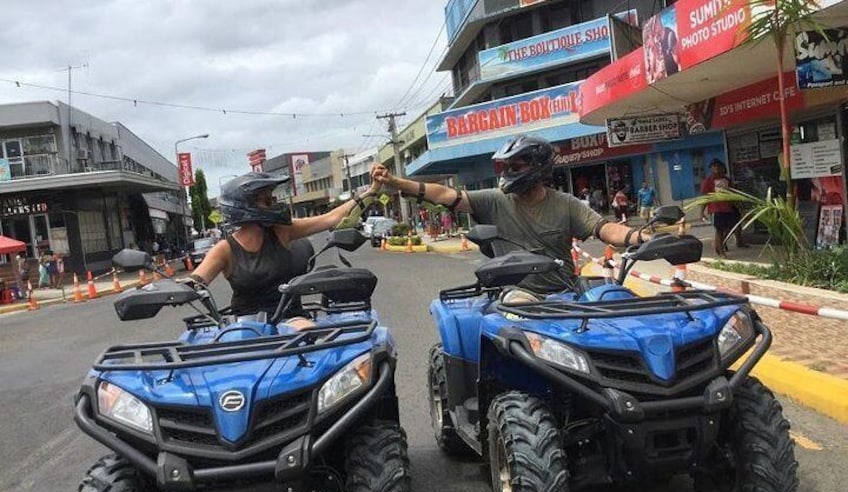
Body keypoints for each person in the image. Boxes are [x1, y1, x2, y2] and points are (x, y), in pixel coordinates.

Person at [369, 135, 649, 295]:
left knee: (613, 299)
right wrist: (395, 182)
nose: (509, 172)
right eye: (507, 166)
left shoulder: (566, 204)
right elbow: (445, 195)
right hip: (518, 298)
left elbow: (604, 229)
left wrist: (639, 236)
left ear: (538, 168)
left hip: (566, 295)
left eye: (516, 165)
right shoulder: (494, 200)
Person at [190, 172, 378, 328]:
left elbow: (330, 218)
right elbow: (196, 280)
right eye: (268, 200)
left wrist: (371, 191)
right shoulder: (224, 249)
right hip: (246, 327)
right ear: (245, 205)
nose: (275, 204)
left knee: (309, 334)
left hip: (291, 319)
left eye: (273, 198)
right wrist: (178, 288)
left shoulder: (283, 232)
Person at [700, 159, 747, 257]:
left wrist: (737, 204)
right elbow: (705, 197)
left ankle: (720, 244)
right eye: (714, 166)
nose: (716, 168)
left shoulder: (727, 180)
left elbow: (732, 193)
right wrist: (702, 212)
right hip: (716, 209)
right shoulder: (708, 181)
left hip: (728, 208)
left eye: (718, 166)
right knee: (719, 230)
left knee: (730, 228)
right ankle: (721, 252)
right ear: (711, 168)